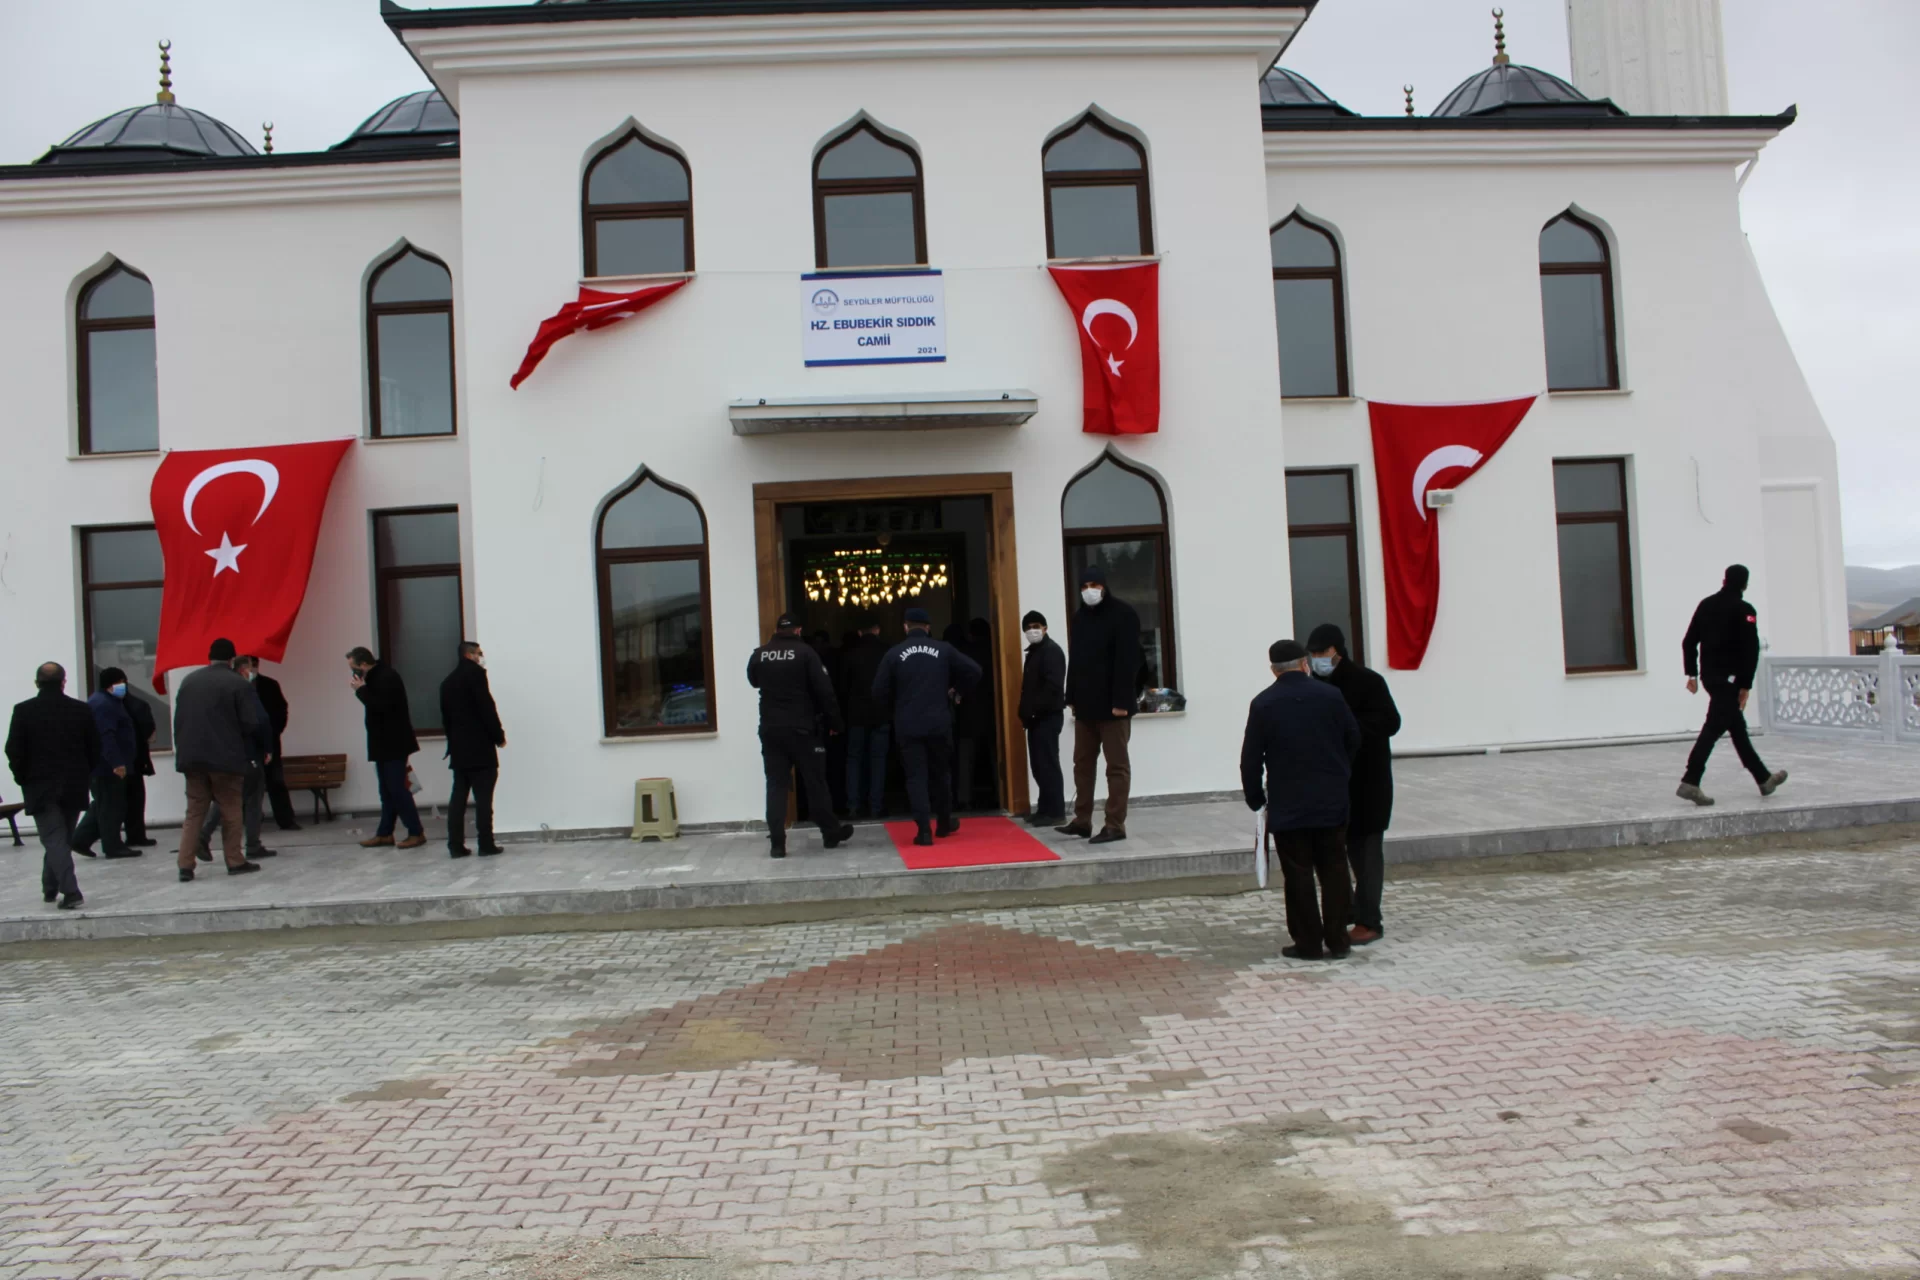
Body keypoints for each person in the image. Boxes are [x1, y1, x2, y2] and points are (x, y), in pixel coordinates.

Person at [1241, 639, 1362, 961]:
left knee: (1298, 873)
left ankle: (1308, 943)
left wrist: (1255, 797)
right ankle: (1338, 940)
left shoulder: (1263, 703)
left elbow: (1251, 757)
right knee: (1334, 869)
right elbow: (1353, 737)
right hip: (1331, 798)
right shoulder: (1331, 696)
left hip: (1288, 800)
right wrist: (1340, 773)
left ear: (1273, 670)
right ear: (1305, 664)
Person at [1306, 625, 1401, 947]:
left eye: (1322, 653)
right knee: (1333, 855)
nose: (1317, 659)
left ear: (1337, 651)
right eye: (1313, 654)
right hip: (1332, 786)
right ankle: (1344, 912)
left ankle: (1369, 920)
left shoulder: (1368, 681)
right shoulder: (1313, 685)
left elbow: (1391, 723)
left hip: (1368, 786)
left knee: (1366, 856)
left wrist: (1348, 729)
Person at [1679, 564, 1788, 806]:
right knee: (1713, 728)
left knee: (1737, 729)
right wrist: (1745, 685)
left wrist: (1692, 674)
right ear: (1745, 584)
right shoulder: (1744, 610)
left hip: (1709, 678)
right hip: (1730, 680)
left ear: (1724, 580)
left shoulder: (1705, 605)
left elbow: (1688, 642)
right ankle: (1690, 781)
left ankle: (1764, 779)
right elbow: (1751, 651)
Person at [747, 614, 854, 859]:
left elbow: (753, 681)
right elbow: (825, 691)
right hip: (802, 729)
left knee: (776, 785)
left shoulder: (759, 654)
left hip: (771, 730)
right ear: (798, 631)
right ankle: (830, 833)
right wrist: (835, 722)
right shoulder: (806, 653)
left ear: (776, 630)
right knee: (815, 782)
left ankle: (777, 844)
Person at [873, 607, 981, 846]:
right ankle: (943, 823)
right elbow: (974, 671)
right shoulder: (943, 650)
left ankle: (923, 830)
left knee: (916, 777)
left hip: (908, 724)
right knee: (941, 774)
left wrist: (895, 708)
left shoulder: (894, 653)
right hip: (938, 722)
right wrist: (956, 691)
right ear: (928, 627)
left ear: (905, 626)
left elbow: (878, 691)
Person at [6, 662, 100, 909]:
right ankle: (50, 886)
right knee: (61, 838)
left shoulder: (24, 711)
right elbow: (95, 748)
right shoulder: (80, 710)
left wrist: (22, 777)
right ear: (63, 682)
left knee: (54, 838)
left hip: (40, 786)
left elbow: (13, 749)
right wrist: (85, 774)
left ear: (37, 683)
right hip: (73, 784)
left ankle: (71, 892)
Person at [1060, 564, 1142, 845]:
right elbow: (1077, 660)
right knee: (1082, 764)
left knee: (1116, 767)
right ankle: (1082, 820)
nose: (1088, 591)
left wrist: (1122, 701)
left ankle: (1115, 824)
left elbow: (1129, 661)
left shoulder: (1124, 615)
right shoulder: (1080, 618)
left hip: (1114, 708)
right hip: (1085, 706)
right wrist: (1070, 697)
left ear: (1104, 586)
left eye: (1093, 585)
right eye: (1083, 587)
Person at [172, 638, 265, 880]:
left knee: (194, 812)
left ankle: (185, 865)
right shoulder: (238, 683)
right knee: (231, 809)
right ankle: (235, 861)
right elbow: (250, 723)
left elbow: (179, 720)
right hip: (226, 759)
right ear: (232, 659)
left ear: (209, 658)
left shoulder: (189, 681)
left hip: (192, 758)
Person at [197, 656, 276, 862]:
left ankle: (203, 835)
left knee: (225, 797)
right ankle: (252, 844)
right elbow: (261, 720)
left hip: (225, 753)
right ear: (243, 669)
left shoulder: (215, 689)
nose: (252, 672)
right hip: (248, 753)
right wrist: (267, 747)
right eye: (250, 668)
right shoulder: (243, 688)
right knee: (252, 799)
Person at [440, 641, 506, 858]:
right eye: (479, 653)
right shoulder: (476, 674)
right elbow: (486, 707)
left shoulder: (447, 682)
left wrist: (453, 744)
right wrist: (499, 736)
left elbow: (446, 719)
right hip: (480, 747)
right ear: (469, 655)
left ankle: (455, 845)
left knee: (458, 797)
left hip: (459, 749)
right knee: (484, 798)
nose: (481, 657)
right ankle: (486, 843)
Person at [71, 666, 139, 860]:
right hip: (107, 766)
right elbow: (105, 736)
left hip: (104, 765)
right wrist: (117, 762)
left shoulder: (107, 701)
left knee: (102, 804)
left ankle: (81, 839)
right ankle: (113, 846)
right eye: (122, 682)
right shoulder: (103, 704)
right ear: (113, 684)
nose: (124, 686)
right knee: (112, 806)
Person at [838, 617, 891, 818]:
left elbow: (842, 688)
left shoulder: (850, 654)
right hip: (881, 713)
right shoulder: (887, 652)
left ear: (860, 632)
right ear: (877, 629)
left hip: (856, 715)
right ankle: (876, 806)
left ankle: (853, 806)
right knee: (878, 760)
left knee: (854, 760)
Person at [1018, 610, 1067, 826]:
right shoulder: (1035, 652)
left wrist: (1035, 710)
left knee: (1048, 764)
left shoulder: (1051, 651)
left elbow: (1053, 687)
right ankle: (1044, 808)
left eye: (1036, 626)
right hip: (1035, 719)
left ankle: (1055, 811)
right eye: (1028, 628)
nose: (1032, 631)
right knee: (1038, 765)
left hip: (1047, 717)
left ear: (1045, 628)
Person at [952, 617, 996, 810]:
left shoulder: (965, 653)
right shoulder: (995, 651)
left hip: (968, 711)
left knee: (965, 758)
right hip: (993, 712)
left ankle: (964, 798)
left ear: (971, 634)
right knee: (996, 756)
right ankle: (1000, 794)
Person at [252, 663, 300, 831]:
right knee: (249, 784)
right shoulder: (237, 686)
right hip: (248, 745)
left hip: (270, 742)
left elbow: (281, 709)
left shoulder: (269, 685)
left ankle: (286, 819)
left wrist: (275, 731)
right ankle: (251, 821)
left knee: (276, 781)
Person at [122, 688, 159, 847]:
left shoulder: (103, 703)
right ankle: (135, 835)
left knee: (113, 800)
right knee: (134, 799)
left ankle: (91, 836)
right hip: (135, 759)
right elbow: (149, 731)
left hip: (117, 760)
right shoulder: (138, 705)